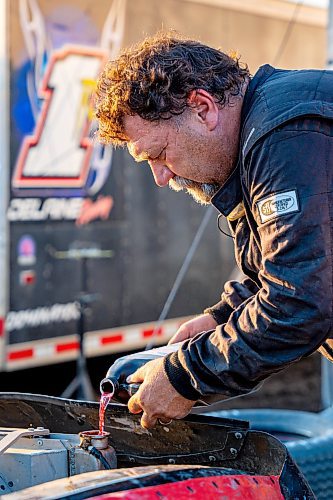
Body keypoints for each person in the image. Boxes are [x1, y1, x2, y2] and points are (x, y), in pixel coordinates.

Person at [96, 31, 333, 429]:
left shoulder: (286, 133)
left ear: (203, 109)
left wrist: (184, 376)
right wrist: (222, 317)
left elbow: (302, 302)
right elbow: (294, 264)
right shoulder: (261, 135)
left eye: (158, 154)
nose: (160, 176)